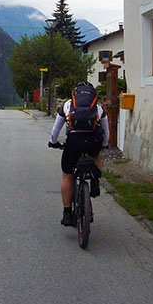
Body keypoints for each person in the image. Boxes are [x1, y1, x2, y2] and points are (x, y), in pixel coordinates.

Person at [48, 82, 109, 227]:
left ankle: (67, 213)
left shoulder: (68, 105)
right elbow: (106, 132)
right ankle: (95, 180)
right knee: (95, 156)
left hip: (74, 141)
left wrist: (53, 142)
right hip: (94, 139)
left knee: (67, 174)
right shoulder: (98, 106)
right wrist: (105, 144)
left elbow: (55, 130)